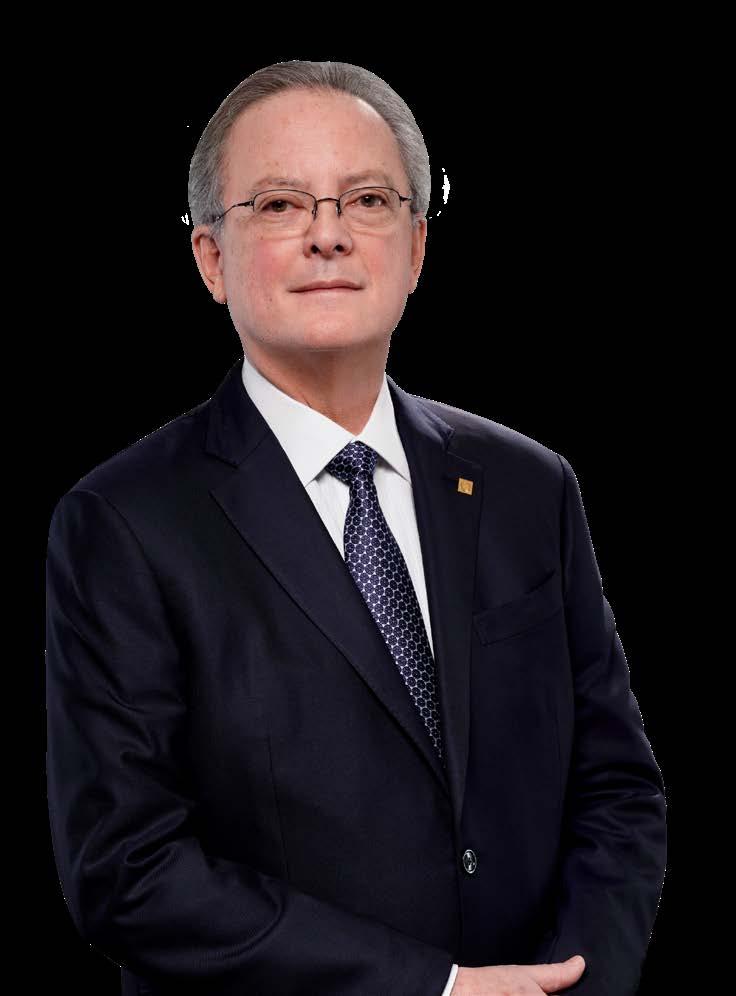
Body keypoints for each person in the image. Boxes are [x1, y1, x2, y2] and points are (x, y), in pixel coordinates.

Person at [45, 60, 667, 995]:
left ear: (416, 247)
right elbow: (127, 869)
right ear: (210, 259)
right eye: (280, 205)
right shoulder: (123, 523)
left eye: (368, 200)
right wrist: (438, 989)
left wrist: (573, 984)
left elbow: (617, 790)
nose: (328, 234)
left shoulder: (529, 487)